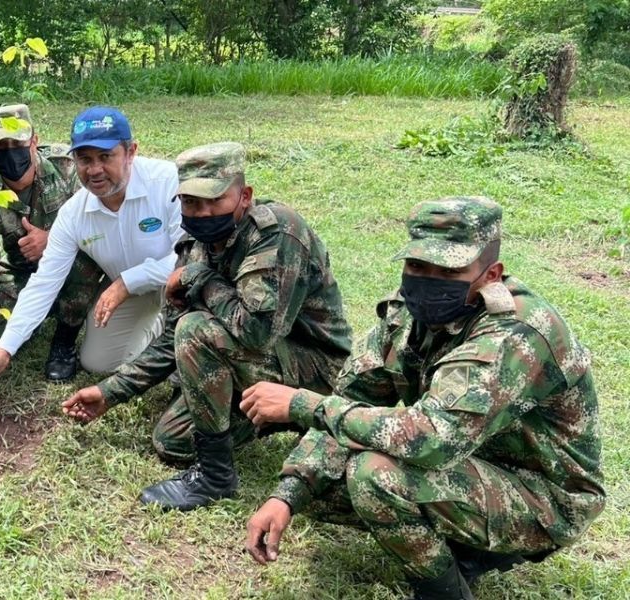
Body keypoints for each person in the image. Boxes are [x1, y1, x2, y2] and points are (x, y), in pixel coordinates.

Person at [240, 197, 605, 599]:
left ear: (491, 275)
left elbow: (432, 438)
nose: (428, 280)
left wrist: (303, 404)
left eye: (448, 270)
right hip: (471, 463)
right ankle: (460, 546)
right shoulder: (407, 318)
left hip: (543, 498)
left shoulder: (514, 335)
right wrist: (286, 495)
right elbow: (352, 396)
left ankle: (446, 590)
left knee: (373, 473)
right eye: (417, 266)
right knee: (321, 481)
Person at [61, 142, 353, 512]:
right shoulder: (196, 241)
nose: (201, 212)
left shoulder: (276, 234)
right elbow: (171, 338)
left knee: (197, 329)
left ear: (244, 195)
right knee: (173, 441)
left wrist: (200, 278)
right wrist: (109, 392)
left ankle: (216, 477)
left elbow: (255, 332)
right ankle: (269, 416)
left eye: (214, 201)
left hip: (311, 364)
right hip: (251, 359)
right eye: (190, 203)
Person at [0, 106, 182, 390]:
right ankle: (157, 326)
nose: (95, 170)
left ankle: (181, 340)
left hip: (179, 285)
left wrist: (127, 282)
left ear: (131, 151)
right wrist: (5, 349)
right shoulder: (75, 213)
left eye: (105, 156)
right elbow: (44, 283)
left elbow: (190, 262)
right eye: (84, 159)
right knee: (98, 363)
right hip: (127, 294)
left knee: (190, 317)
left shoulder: (169, 182)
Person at [0, 103, 104, 381]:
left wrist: (53, 239)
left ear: (34, 140)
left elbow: (101, 224)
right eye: (0, 147)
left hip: (72, 266)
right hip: (21, 274)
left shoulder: (69, 170)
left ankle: (65, 338)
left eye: (17, 142)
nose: (10, 152)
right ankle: (36, 314)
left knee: (87, 259)